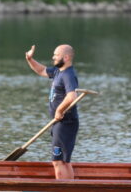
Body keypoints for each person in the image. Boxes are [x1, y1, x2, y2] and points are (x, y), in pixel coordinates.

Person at [25, 44, 79, 179]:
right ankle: (69, 189)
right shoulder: (58, 71)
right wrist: (30, 59)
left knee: (58, 161)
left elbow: (72, 96)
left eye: (56, 55)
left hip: (65, 122)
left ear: (66, 57)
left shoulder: (68, 75)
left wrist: (60, 109)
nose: (53, 57)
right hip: (59, 122)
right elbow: (41, 70)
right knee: (63, 161)